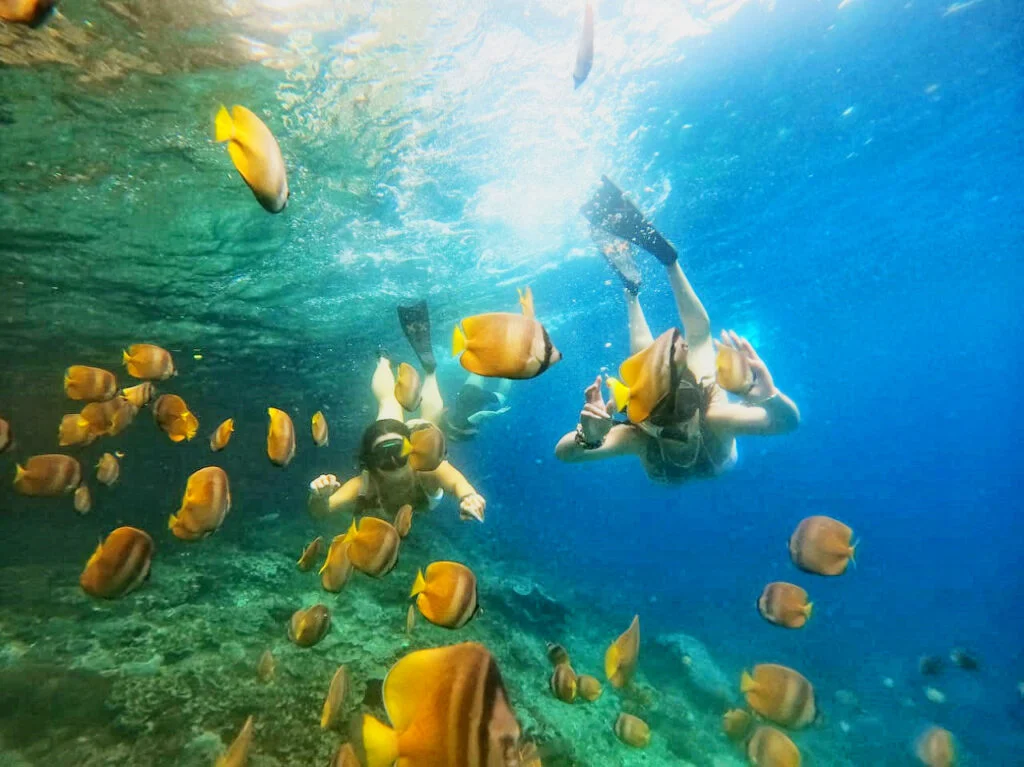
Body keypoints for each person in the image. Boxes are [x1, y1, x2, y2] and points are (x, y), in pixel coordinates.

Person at [554, 176, 799, 483]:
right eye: (662, 425)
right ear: (643, 423)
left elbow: (787, 422)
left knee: (688, 346)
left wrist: (768, 398)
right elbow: (566, 453)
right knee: (683, 345)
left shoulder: (715, 419)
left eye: (681, 422)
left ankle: (654, 273)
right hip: (671, 399)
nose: (675, 432)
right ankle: (647, 276)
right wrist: (586, 437)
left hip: (697, 388)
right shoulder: (639, 437)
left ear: (696, 412)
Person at [308, 304, 487, 522]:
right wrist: (319, 497)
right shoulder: (365, 484)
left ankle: (386, 361)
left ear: (411, 449)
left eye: (399, 451)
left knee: (390, 406)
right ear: (370, 461)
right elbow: (321, 511)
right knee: (412, 414)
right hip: (406, 447)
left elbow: (459, 484)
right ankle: (426, 371)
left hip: (415, 445)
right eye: (385, 454)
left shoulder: (426, 469)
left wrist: (469, 497)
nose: (393, 461)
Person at [441, 374, 512, 441]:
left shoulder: (466, 424)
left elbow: (481, 414)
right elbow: (444, 413)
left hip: (477, 397)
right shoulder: (450, 424)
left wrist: (496, 413)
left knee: (503, 396)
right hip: (465, 392)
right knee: (477, 370)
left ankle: (510, 369)